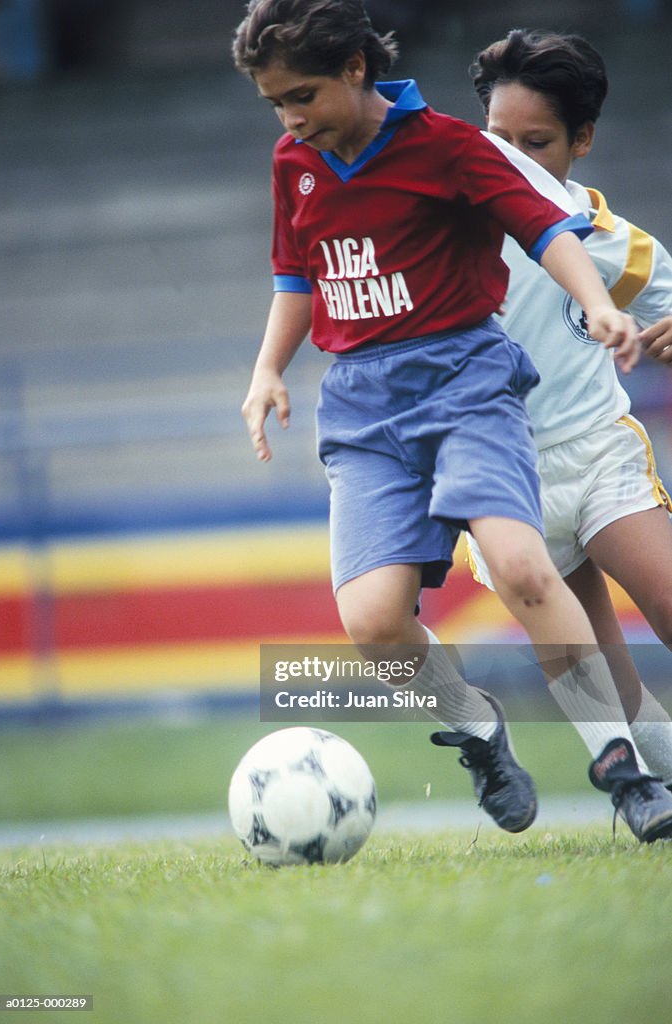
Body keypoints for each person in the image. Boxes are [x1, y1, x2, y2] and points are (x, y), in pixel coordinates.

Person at [232, 0, 672, 841]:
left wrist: (601, 306)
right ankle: (509, 738)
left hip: (519, 422)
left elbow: (555, 234)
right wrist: (266, 371)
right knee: (383, 622)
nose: (289, 118)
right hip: (394, 421)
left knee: (566, 580)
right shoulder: (310, 163)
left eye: (301, 96)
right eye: (274, 102)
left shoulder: (476, 169)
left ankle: (624, 777)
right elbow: (301, 273)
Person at [466, 28, 672, 804]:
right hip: (500, 477)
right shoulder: (446, 221)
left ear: (581, 140)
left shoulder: (602, 240)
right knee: (605, 675)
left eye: (536, 141)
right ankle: (645, 795)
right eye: (496, 138)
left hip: (595, 455)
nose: (512, 158)